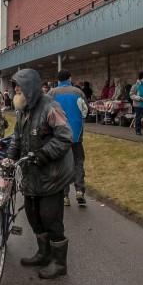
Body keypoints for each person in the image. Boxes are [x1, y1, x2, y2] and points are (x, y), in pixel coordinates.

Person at [6, 68, 74, 279]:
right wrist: (10, 156)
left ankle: (59, 263)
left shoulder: (50, 107)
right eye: (14, 86)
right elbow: (17, 137)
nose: (15, 90)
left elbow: (65, 137)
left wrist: (43, 155)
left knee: (50, 218)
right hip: (32, 174)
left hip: (51, 174)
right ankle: (43, 253)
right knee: (33, 215)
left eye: (18, 86)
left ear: (30, 87)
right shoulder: (23, 110)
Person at [50, 70, 89, 207]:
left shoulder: (52, 93)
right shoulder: (78, 92)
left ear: (58, 79)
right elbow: (85, 110)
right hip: (76, 134)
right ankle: (79, 190)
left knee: (62, 165)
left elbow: (47, 113)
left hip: (59, 135)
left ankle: (65, 196)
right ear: (70, 78)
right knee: (78, 161)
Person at [129, 72, 143, 136]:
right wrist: (139, 98)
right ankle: (138, 131)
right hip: (138, 105)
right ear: (141, 78)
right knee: (138, 118)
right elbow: (131, 95)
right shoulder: (135, 86)